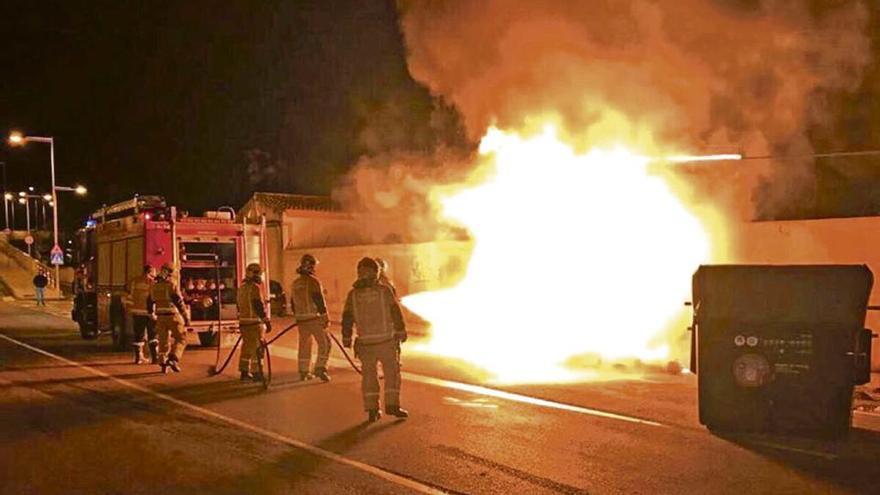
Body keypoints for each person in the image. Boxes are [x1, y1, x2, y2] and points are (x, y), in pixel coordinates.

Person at [342, 257, 409, 422]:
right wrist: (401, 330)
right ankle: (392, 406)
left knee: (369, 377)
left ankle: (372, 410)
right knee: (392, 374)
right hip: (385, 342)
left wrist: (346, 336)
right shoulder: (384, 291)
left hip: (365, 344)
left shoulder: (353, 294)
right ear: (376, 272)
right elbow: (395, 311)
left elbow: (347, 317)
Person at [291, 254, 332, 382]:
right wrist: (325, 316)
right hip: (314, 318)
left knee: (304, 345)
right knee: (325, 343)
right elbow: (318, 299)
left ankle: (303, 371)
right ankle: (320, 368)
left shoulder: (295, 283)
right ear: (312, 266)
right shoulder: (313, 282)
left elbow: (293, 303)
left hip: (301, 320)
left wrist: (298, 316)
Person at [147, 263, 190, 373]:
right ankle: (173, 359)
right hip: (173, 316)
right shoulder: (171, 284)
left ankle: (162, 363)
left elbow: (149, 301)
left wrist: (151, 313)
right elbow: (178, 301)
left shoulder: (154, 285)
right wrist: (185, 316)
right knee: (181, 338)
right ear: (171, 272)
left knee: (163, 341)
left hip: (160, 317)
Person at [237, 263, 271, 382]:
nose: (260, 276)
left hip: (244, 323)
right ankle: (257, 373)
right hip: (254, 323)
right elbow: (258, 305)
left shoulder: (242, 288)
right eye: (259, 273)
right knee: (258, 348)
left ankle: (244, 372)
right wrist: (266, 320)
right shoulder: (255, 288)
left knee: (246, 347)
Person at [125, 265, 158, 364]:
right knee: (153, 335)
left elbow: (127, 294)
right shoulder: (153, 283)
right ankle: (155, 358)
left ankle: (139, 357)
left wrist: (129, 308)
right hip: (149, 313)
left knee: (138, 335)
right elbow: (154, 299)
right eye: (154, 272)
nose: (155, 274)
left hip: (136, 312)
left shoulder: (134, 281)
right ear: (149, 272)